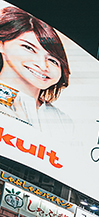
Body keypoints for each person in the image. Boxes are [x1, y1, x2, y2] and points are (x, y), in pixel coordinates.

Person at [0, 6, 72, 137]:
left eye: (53, 60)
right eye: (28, 48)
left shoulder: (63, 121)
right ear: (1, 44)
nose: (43, 66)